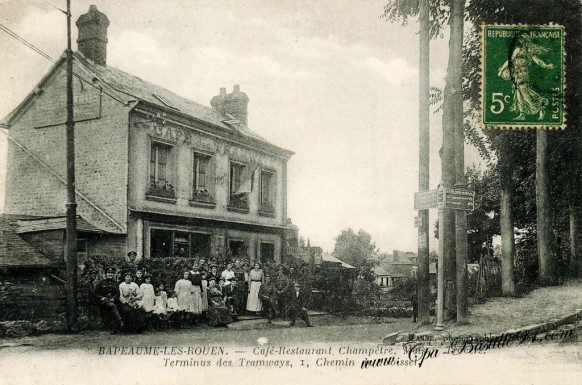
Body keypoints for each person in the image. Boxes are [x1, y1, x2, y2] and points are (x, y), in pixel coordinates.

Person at [497, 33, 554, 121]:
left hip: (523, 74)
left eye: (526, 41)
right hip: (516, 74)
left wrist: (546, 66)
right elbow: (510, 60)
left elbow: (538, 61)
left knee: (524, 92)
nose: (526, 43)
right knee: (519, 92)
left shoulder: (528, 51)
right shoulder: (518, 50)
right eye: (524, 41)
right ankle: (522, 114)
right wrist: (502, 70)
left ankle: (540, 104)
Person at [93, 267, 123, 334]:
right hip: (104, 302)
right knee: (111, 306)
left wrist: (113, 298)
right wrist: (101, 298)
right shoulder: (101, 283)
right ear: (106, 274)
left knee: (113, 307)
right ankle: (119, 320)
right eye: (109, 273)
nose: (110, 274)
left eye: (112, 273)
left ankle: (114, 328)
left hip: (113, 301)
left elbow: (117, 293)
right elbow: (95, 292)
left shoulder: (116, 283)